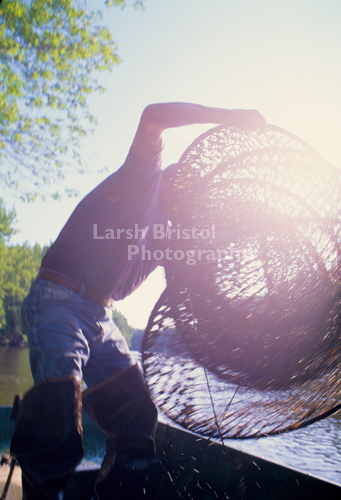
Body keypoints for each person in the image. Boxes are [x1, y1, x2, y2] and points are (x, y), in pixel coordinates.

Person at [10, 103, 266, 500]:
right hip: (58, 302)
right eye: (183, 187)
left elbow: (197, 298)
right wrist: (230, 117)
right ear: (168, 180)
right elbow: (154, 116)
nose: (186, 200)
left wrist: (246, 321)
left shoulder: (172, 236)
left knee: (138, 416)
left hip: (101, 318)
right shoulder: (143, 178)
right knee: (58, 418)